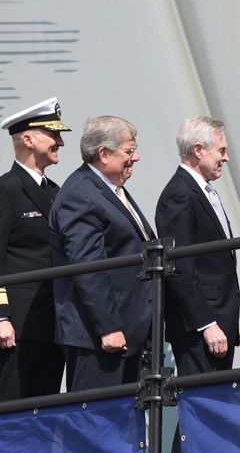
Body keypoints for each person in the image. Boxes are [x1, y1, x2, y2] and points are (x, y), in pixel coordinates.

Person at [0, 98, 70, 401]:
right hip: (21, 323)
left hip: (54, 321)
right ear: (28, 139)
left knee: (46, 407)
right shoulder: (3, 190)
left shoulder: (55, 192)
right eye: (53, 135)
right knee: (13, 409)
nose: (61, 142)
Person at [49, 115, 154, 391]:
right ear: (104, 154)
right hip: (100, 338)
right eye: (130, 151)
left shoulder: (110, 189)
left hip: (127, 334)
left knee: (122, 426)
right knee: (95, 425)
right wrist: (109, 327)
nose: (137, 157)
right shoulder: (81, 195)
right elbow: (88, 266)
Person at [156, 116, 240, 376]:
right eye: (222, 151)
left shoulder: (202, 189)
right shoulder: (179, 193)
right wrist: (207, 324)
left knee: (213, 404)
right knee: (201, 405)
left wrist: (228, 317)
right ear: (198, 150)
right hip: (200, 329)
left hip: (218, 319)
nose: (226, 158)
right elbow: (180, 267)